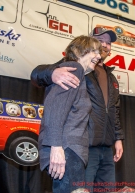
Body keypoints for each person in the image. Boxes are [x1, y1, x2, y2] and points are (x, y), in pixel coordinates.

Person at [31, 27, 125, 193]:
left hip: (104, 147)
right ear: (85, 47)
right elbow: (38, 75)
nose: (104, 45)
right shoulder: (76, 67)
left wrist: (118, 138)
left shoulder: (110, 77)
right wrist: (52, 73)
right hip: (80, 146)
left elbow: (114, 110)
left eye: (108, 43)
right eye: (99, 42)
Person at [38, 35, 101, 193]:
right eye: (94, 51)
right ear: (79, 51)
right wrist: (56, 147)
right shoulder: (75, 68)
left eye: (99, 52)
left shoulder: (77, 74)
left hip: (69, 149)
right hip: (66, 149)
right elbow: (55, 107)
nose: (99, 56)